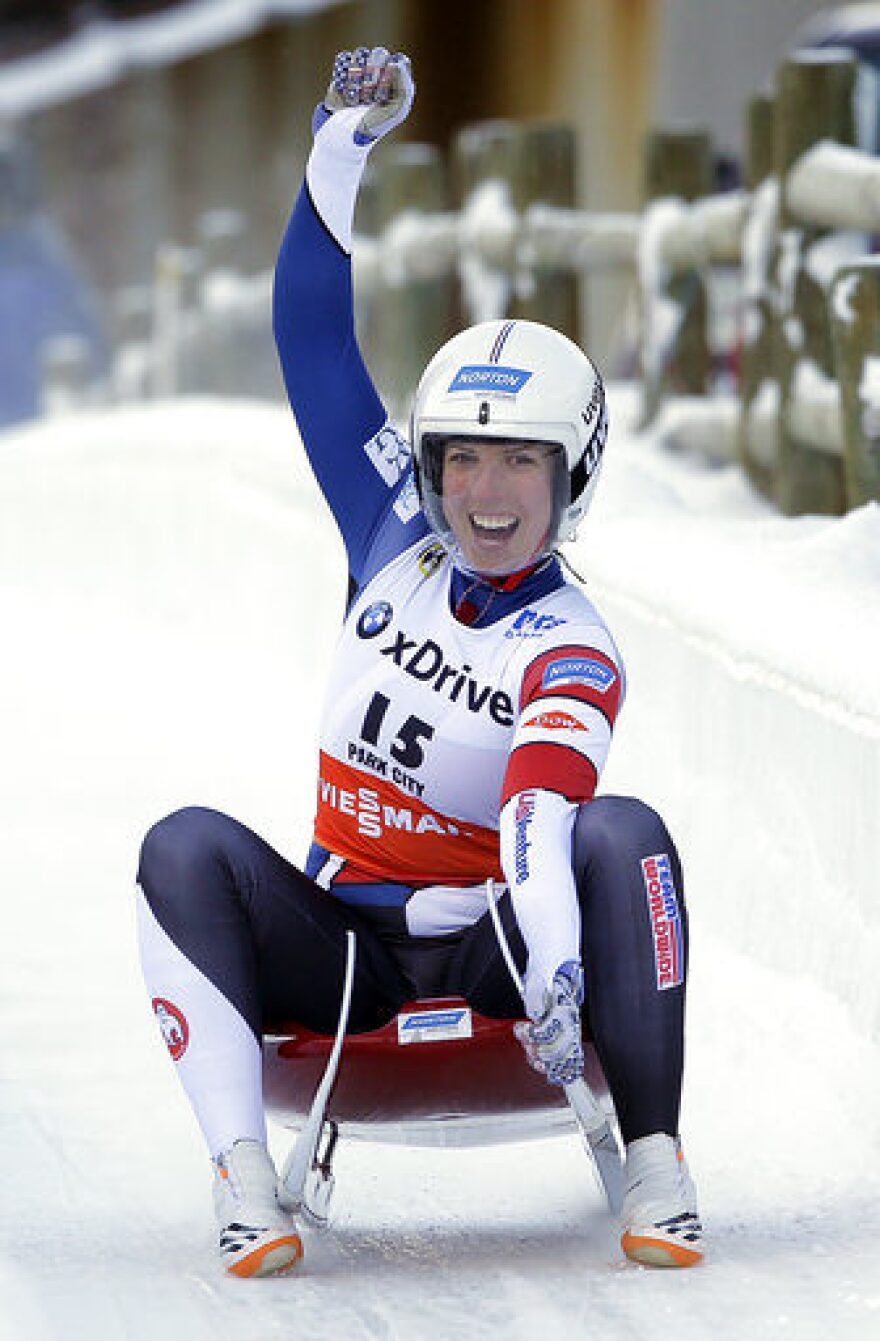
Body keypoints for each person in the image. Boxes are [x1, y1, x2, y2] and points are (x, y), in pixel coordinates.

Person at [136, 47, 703, 1278]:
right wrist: (340, 144)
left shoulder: (572, 642)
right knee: (179, 844)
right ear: (428, 470)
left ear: (571, 483)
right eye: (460, 462)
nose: (485, 496)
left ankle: (656, 1161)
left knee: (630, 833)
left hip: (504, 951)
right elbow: (311, 343)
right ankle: (243, 1185)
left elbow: (540, 816)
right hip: (344, 951)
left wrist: (553, 966)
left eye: (520, 468)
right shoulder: (389, 538)